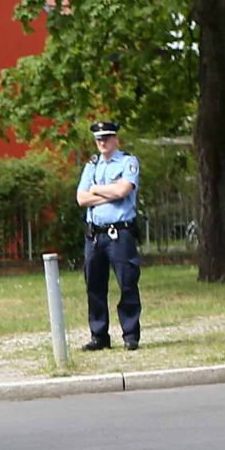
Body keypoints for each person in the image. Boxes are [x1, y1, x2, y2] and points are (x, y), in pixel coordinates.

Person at [75, 119, 142, 351]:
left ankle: (131, 335)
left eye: (106, 138)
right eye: (98, 139)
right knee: (94, 285)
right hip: (95, 236)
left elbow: (124, 190)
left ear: (116, 139)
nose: (102, 142)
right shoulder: (91, 166)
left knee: (127, 283)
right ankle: (99, 335)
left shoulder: (127, 162)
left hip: (119, 233)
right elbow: (81, 198)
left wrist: (96, 189)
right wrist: (109, 193)